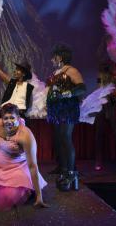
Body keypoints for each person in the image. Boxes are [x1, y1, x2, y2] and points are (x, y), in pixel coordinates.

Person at [0, 103, 48, 210]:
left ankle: (30, 191)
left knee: (9, 196)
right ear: (2, 119)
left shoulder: (25, 135)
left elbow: (33, 166)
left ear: (18, 118)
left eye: (12, 118)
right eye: (6, 118)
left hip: (16, 168)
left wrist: (39, 197)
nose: (9, 121)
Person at [46, 44, 85, 191]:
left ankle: (71, 173)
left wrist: (67, 93)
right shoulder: (58, 71)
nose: (51, 60)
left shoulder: (71, 70)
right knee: (59, 139)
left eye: (53, 57)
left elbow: (81, 87)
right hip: (57, 110)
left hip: (67, 109)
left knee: (66, 138)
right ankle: (64, 170)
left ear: (60, 57)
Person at [94, 61, 116, 175]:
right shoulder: (100, 77)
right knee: (99, 134)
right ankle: (98, 161)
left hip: (112, 106)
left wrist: (115, 94)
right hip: (101, 106)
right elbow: (98, 89)